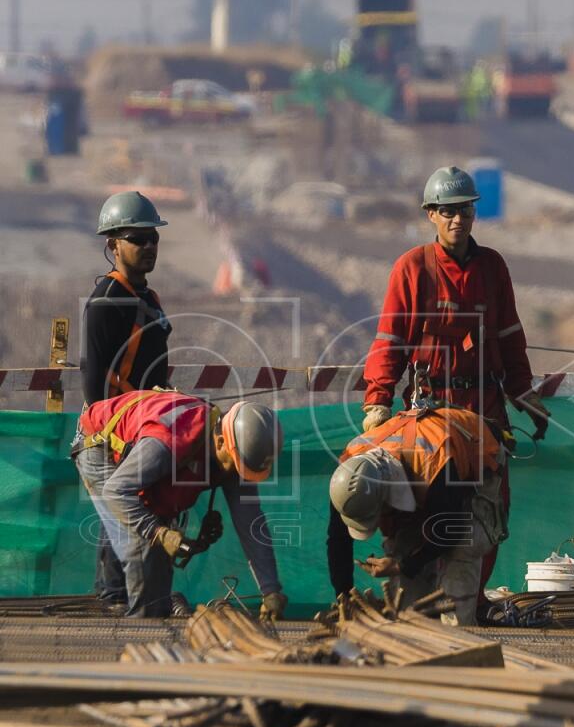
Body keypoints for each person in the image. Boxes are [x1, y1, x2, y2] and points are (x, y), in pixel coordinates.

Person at [361, 165, 549, 612]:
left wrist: (524, 394)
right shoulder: (412, 268)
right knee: (422, 507)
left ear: (473, 212)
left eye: (463, 209)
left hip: (483, 407)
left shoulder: (492, 268)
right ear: (430, 214)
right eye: (446, 211)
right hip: (429, 412)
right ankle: (420, 601)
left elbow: (510, 336)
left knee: (485, 511)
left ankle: (470, 600)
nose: (456, 219)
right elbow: (391, 340)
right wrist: (377, 400)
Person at [72, 390, 288, 619]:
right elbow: (117, 491)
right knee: (144, 544)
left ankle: (151, 613)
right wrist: (158, 532)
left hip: (141, 456)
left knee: (156, 558)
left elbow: (250, 524)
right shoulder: (171, 439)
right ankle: (138, 629)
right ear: (222, 441)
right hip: (98, 445)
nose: (238, 476)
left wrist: (270, 590)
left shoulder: (237, 451)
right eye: (237, 466)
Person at [327, 405, 506, 626]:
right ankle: (414, 625)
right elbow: (338, 540)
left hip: (475, 452)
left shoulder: (434, 464)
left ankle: (461, 633)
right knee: (403, 550)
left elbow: (450, 529)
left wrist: (404, 566)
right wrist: (345, 597)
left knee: (463, 545)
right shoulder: (347, 475)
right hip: (424, 473)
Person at [84, 190, 172, 606]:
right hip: (115, 428)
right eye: (139, 239)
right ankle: (117, 594)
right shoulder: (107, 301)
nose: (149, 246)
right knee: (121, 508)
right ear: (113, 244)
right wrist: (110, 433)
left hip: (145, 425)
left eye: (153, 238)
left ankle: (122, 592)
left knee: (128, 507)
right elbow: (94, 379)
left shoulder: (148, 299)